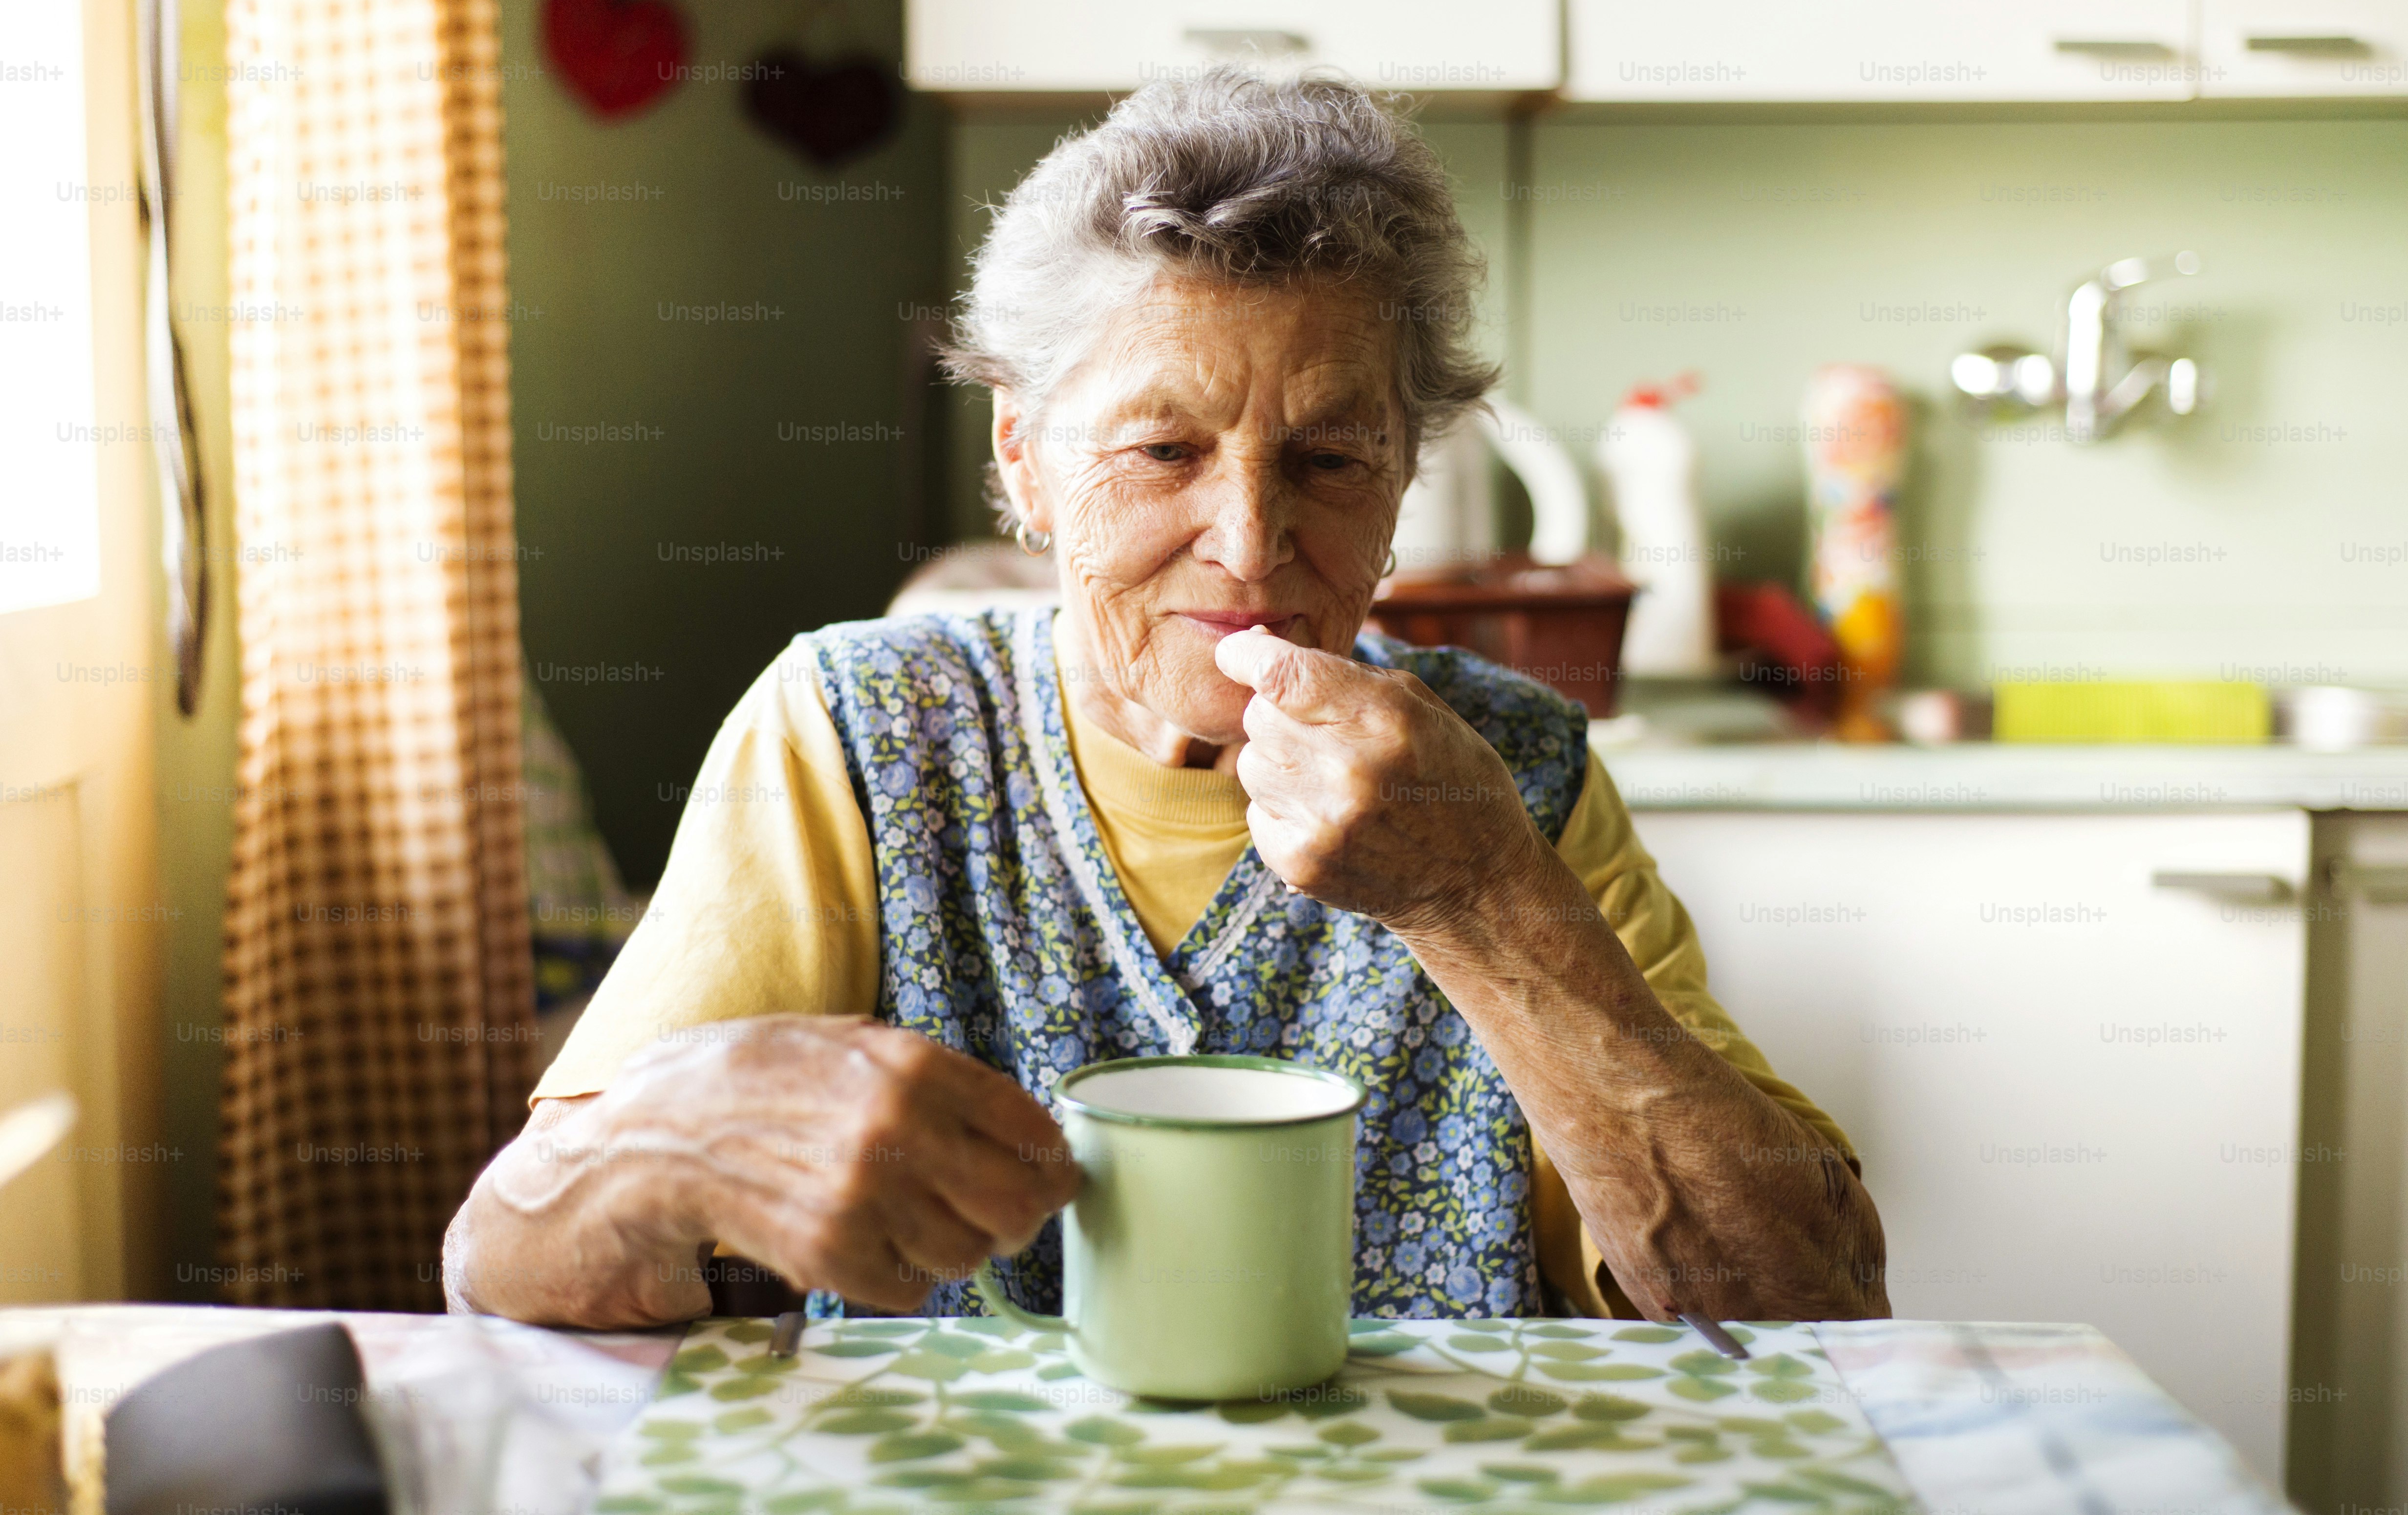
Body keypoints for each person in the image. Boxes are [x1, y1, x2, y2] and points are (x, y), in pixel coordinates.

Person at [443, 68, 1888, 1329]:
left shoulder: (1508, 771)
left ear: (1405, 477)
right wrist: (674, 1136)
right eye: (1160, 452)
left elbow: (1817, 1304)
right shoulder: (850, 728)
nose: (1253, 545)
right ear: (1023, 461)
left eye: (1330, 459)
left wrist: (1484, 900)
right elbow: (505, 1270)